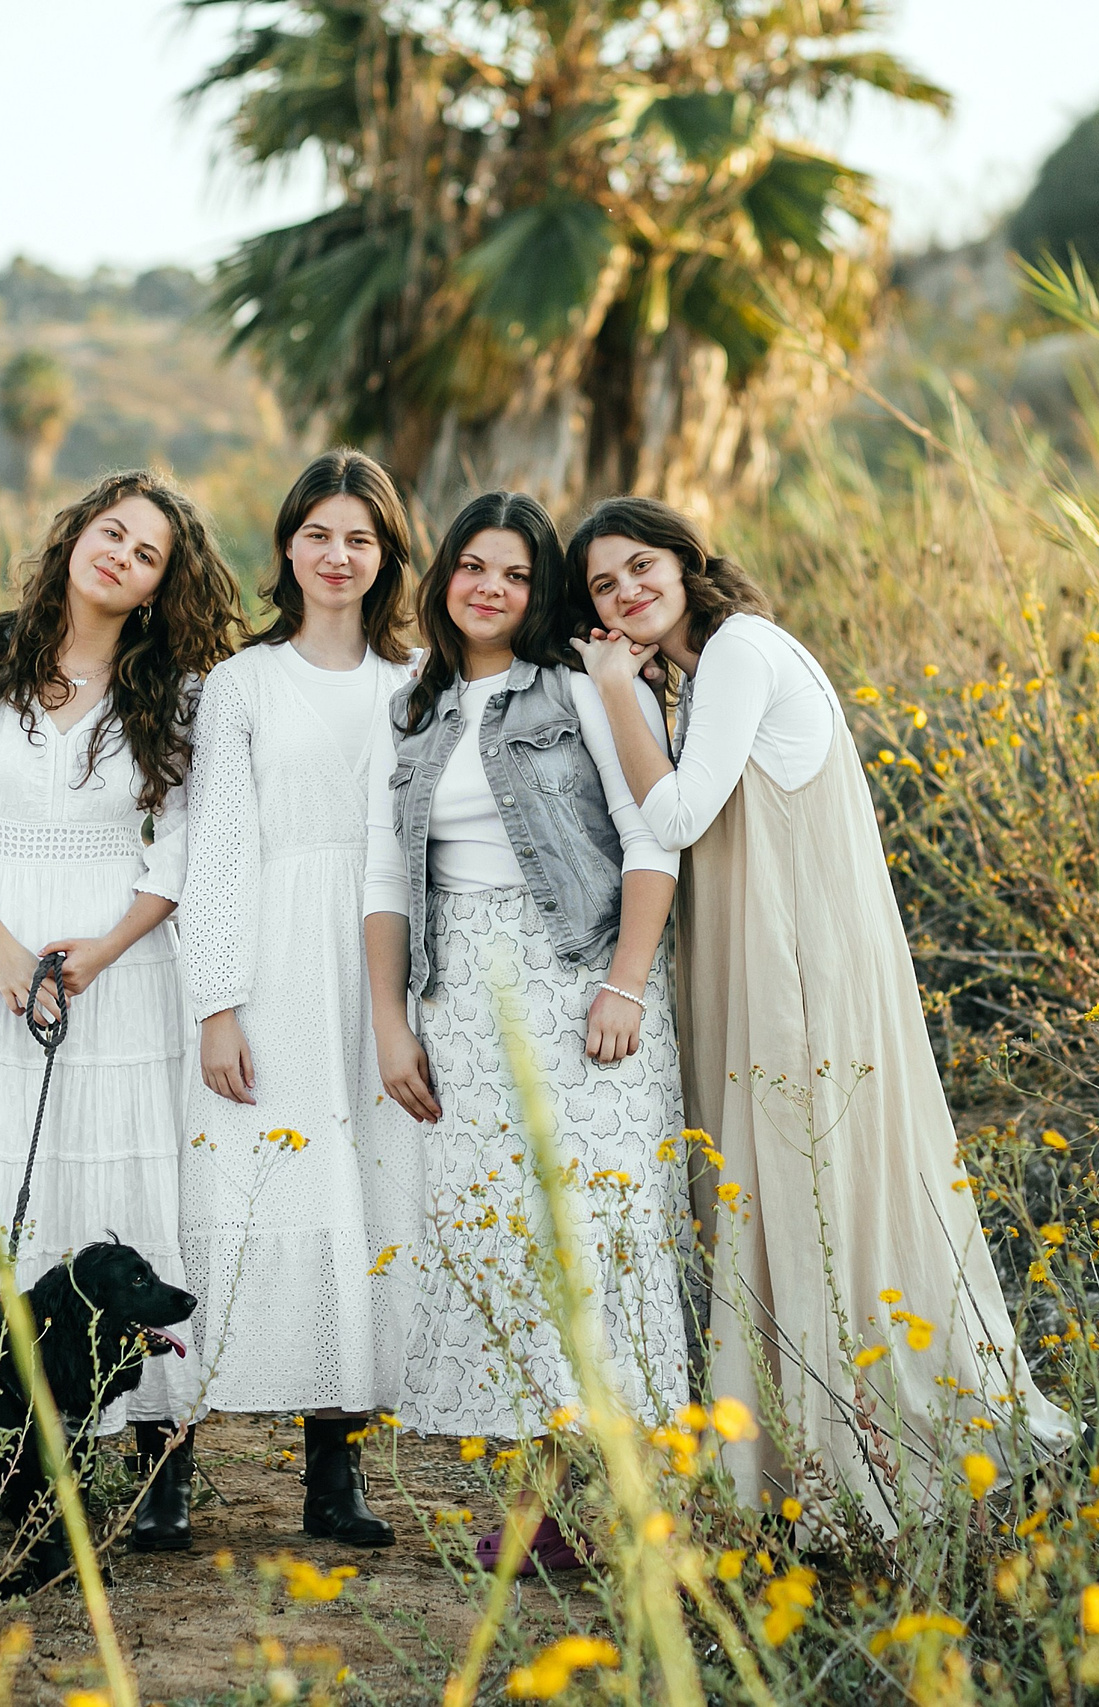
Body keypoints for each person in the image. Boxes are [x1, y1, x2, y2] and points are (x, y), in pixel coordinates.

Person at [564, 494, 1075, 1533]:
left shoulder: (741, 650)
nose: (626, 593)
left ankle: (871, 1456)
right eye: (603, 587)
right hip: (775, 959)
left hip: (795, 969)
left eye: (639, 566)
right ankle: (807, 1461)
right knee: (790, 1193)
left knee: (810, 1193)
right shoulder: (713, 670)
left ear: (685, 559)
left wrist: (614, 691)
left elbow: (676, 815)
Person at [0, 468, 244, 1472]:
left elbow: (184, 844)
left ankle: (153, 1449)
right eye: (112, 532)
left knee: (116, 1173)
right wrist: (1, 950)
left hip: (120, 966)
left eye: (147, 554)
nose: (121, 556)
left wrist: (106, 948)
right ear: (77, 533)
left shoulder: (175, 693)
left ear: (160, 586)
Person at [362, 492, 691, 1574]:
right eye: (473, 566)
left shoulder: (582, 687)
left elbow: (652, 838)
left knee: (594, 1233)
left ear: (538, 589)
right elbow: (384, 878)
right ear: (445, 576)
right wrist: (392, 1022)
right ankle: (541, 1502)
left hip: (579, 984)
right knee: (503, 1242)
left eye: (514, 573)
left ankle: (616, 1496)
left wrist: (625, 985)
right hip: (461, 997)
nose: (490, 589)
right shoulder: (413, 707)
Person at [169, 448, 422, 1551]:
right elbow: (217, 847)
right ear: (287, 546)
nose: (337, 555)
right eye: (318, 534)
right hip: (272, 956)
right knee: (235, 1185)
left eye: (359, 538)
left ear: (387, 555)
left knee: (363, 1193)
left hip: (379, 964)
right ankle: (168, 1461)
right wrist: (217, 1001)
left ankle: (335, 1470)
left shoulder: (416, 683)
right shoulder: (243, 683)